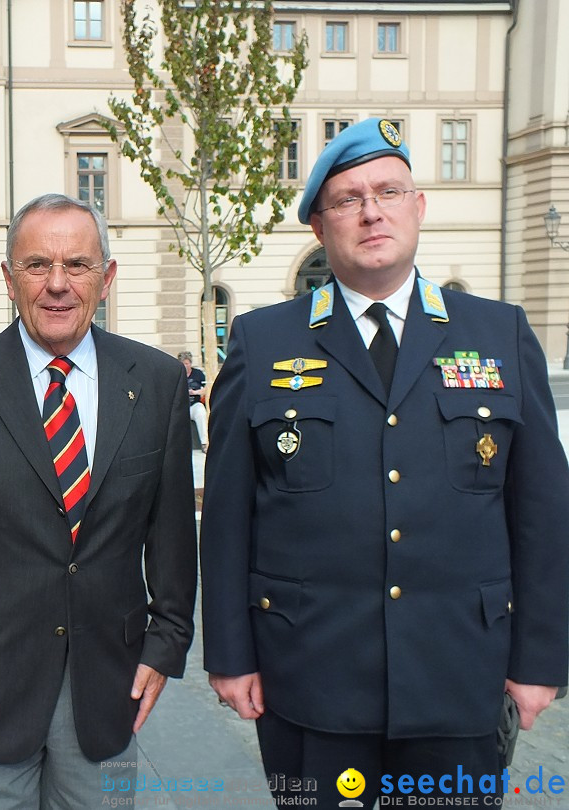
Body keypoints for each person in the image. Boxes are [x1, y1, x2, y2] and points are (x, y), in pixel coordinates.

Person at [202, 118, 569, 808]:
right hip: (310, 677)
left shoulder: (498, 332)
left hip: (459, 677)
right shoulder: (262, 341)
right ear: (318, 226)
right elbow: (227, 516)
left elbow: (543, 512)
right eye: (347, 199)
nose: (372, 211)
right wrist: (229, 653)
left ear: (418, 207)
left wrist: (541, 660)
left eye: (389, 191)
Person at [0, 193, 198, 808]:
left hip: (107, 688)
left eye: (77, 265)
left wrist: (166, 646)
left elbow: (171, 540)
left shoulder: (156, 382)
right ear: (9, 279)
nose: (58, 285)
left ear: (105, 278)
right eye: (37, 265)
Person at [178, 350, 207, 452]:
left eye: (187, 363)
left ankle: (204, 443)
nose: (185, 366)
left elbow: (206, 388)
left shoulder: (198, 374)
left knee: (201, 412)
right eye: (183, 364)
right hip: (181, 405)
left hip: (194, 404)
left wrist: (195, 392)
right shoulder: (176, 374)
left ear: (190, 363)